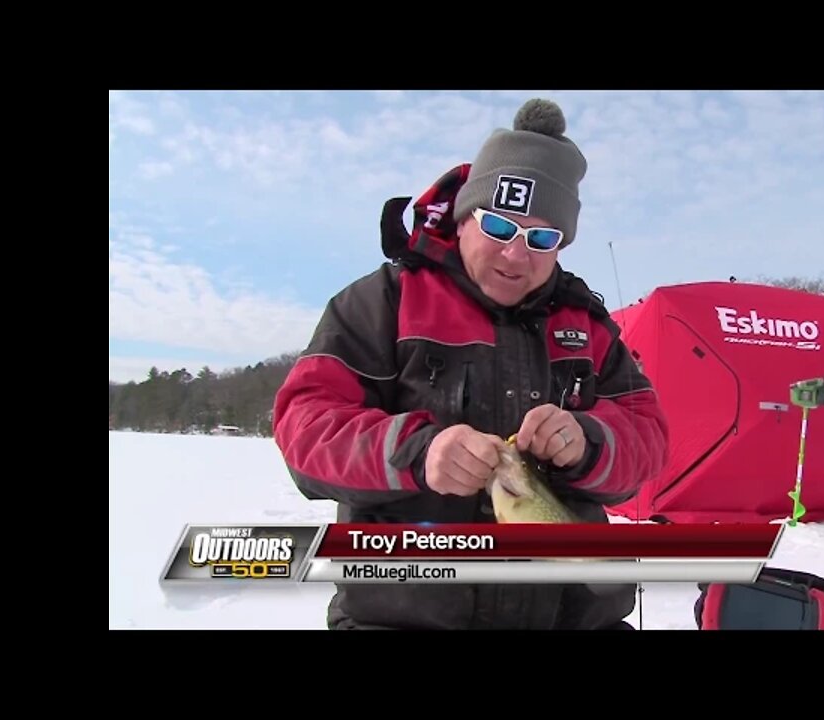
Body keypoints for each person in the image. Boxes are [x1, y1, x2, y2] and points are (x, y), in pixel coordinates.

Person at [272, 98, 670, 630]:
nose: (516, 256)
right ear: (464, 217)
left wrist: (589, 441)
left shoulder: (588, 325)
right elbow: (305, 423)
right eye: (500, 228)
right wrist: (419, 452)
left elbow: (649, 436)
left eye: (541, 239)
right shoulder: (382, 302)